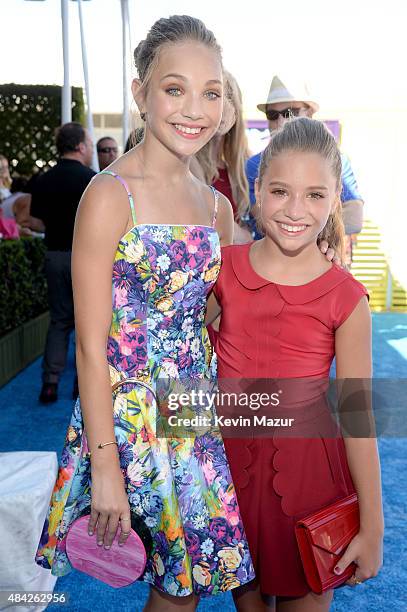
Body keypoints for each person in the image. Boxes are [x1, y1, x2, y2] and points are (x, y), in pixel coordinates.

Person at [35, 15, 254, 611]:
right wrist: (104, 465)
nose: (194, 108)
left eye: (211, 92)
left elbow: (218, 316)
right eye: (174, 88)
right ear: (141, 94)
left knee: (186, 587)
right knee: (178, 590)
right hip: (127, 417)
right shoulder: (108, 195)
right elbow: (90, 342)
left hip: (193, 408)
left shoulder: (217, 208)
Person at [208, 118, 383, 611]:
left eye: (314, 195)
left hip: (311, 482)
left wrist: (373, 526)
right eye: (281, 191)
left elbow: (357, 414)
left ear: (334, 202)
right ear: (257, 189)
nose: (295, 210)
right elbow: (180, 353)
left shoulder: (347, 298)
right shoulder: (221, 270)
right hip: (231, 474)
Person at [245, 76, 364, 243]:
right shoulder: (254, 165)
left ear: (309, 112)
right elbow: (265, 220)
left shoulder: (336, 160)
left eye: (289, 112)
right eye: (272, 114)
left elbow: (355, 217)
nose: (280, 121)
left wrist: (316, 236)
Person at [30, 122, 95, 403]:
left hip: (54, 254)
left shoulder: (44, 179)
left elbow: (34, 221)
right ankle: (82, 385)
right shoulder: (93, 179)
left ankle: (50, 382)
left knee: (59, 320)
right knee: (87, 321)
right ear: (80, 146)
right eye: (90, 145)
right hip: (85, 258)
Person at [193, 70, 252, 244]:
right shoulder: (187, 162)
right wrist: (249, 239)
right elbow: (211, 222)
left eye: (230, 97)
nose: (224, 106)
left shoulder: (242, 167)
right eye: (213, 96)